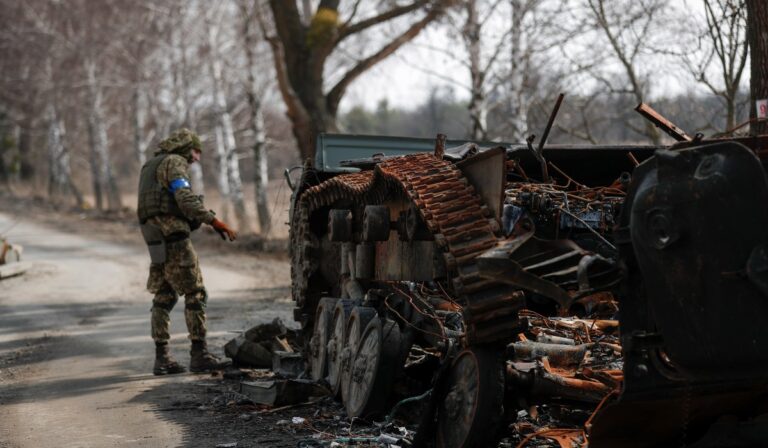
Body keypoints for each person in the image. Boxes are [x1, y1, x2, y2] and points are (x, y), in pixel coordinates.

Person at [137, 128, 237, 375]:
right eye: (196, 151)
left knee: (165, 294)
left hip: (154, 236)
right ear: (185, 148)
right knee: (196, 293)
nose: (197, 158)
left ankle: (162, 358)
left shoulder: (150, 165)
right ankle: (199, 354)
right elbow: (185, 199)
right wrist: (215, 221)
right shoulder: (174, 162)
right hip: (174, 238)